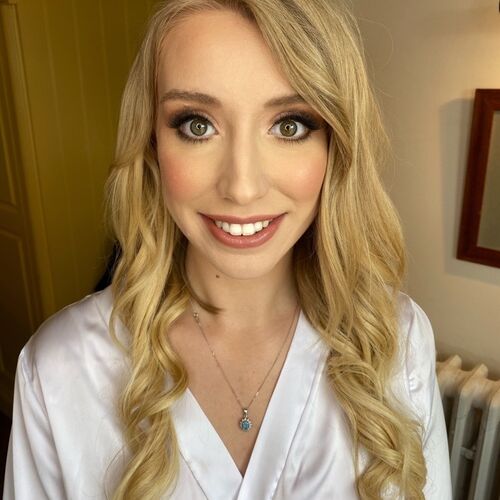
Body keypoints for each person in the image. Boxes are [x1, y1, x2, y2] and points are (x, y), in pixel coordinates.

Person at [3, 0, 452, 498]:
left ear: (336, 147)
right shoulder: (60, 370)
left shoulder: (397, 340)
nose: (242, 187)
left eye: (289, 125)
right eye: (197, 125)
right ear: (151, 144)